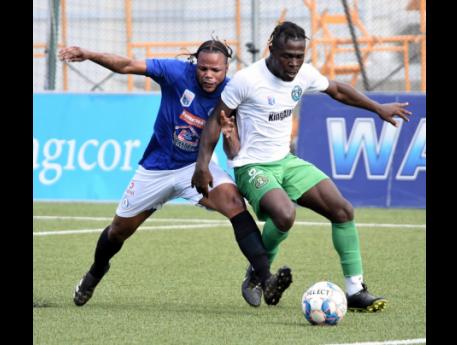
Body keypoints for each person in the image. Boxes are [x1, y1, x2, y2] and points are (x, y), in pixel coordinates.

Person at [191, 22, 412, 311]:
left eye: (299, 56)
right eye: (287, 56)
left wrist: (377, 108)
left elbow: (338, 90)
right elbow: (213, 121)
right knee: (285, 214)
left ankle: (355, 290)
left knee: (342, 210)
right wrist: (202, 165)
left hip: (286, 161)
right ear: (272, 50)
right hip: (252, 165)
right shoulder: (247, 80)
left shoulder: (303, 73)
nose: (294, 63)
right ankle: (258, 273)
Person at [58, 39, 292, 307]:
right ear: (195, 65)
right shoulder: (174, 72)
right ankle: (96, 271)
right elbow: (126, 64)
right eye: (203, 68)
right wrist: (88, 52)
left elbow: (233, 151)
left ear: (227, 69)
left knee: (234, 204)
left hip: (195, 169)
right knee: (118, 231)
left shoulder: (233, 93)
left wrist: (229, 134)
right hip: (156, 169)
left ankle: (265, 279)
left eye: (216, 71)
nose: (208, 75)